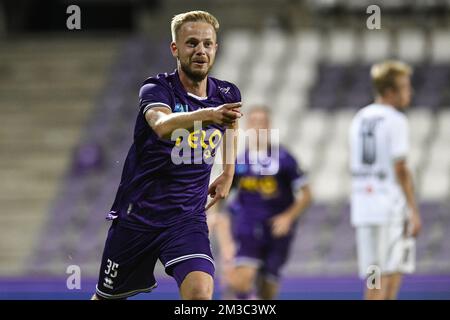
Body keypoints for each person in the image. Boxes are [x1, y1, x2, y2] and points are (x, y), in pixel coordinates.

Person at [92, 10, 242, 300]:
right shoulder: (157, 89)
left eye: (208, 44)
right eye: (192, 43)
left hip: (187, 218)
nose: (201, 50)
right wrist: (208, 114)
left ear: (216, 48)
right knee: (106, 299)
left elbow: (231, 122)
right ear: (175, 48)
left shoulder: (226, 92)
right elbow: (161, 126)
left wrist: (228, 172)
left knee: (200, 291)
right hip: (139, 217)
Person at [214, 106, 312, 300]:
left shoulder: (284, 159)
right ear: (247, 127)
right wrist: (219, 224)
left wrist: (288, 217)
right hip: (247, 227)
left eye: (263, 123)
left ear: (269, 127)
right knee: (241, 280)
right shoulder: (238, 161)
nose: (258, 127)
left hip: (277, 232)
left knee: (268, 289)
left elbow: (307, 194)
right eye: (254, 122)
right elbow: (219, 195)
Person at [349, 60, 422, 300]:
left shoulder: (359, 117)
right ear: (391, 92)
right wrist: (413, 210)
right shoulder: (396, 119)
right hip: (389, 207)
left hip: (363, 206)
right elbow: (400, 168)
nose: (409, 92)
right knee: (390, 273)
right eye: (405, 87)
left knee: (374, 276)